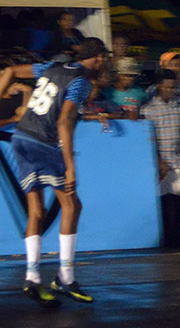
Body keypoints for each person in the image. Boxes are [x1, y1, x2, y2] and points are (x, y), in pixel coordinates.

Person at [0, 37, 108, 307]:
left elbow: (10, 71)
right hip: (43, 143)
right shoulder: (82, 82)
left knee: (35, 211)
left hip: (21, 138)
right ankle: (65, 278)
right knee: (71, 205)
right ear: (98, 58)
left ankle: (32, 278)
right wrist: (70, 166)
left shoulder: (51, 66)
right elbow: (63, 122)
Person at [141, 70, 180, 247]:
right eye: (166, 86)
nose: (170, 90)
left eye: (172, 87)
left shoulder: (178, 107)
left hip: (177, 160)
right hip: (158, 162)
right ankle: (165, 236)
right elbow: (148, 138)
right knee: (162, 200)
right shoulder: (148, 109)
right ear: (158, 86)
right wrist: (159, 160)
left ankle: (175, 234)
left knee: (177, 199)